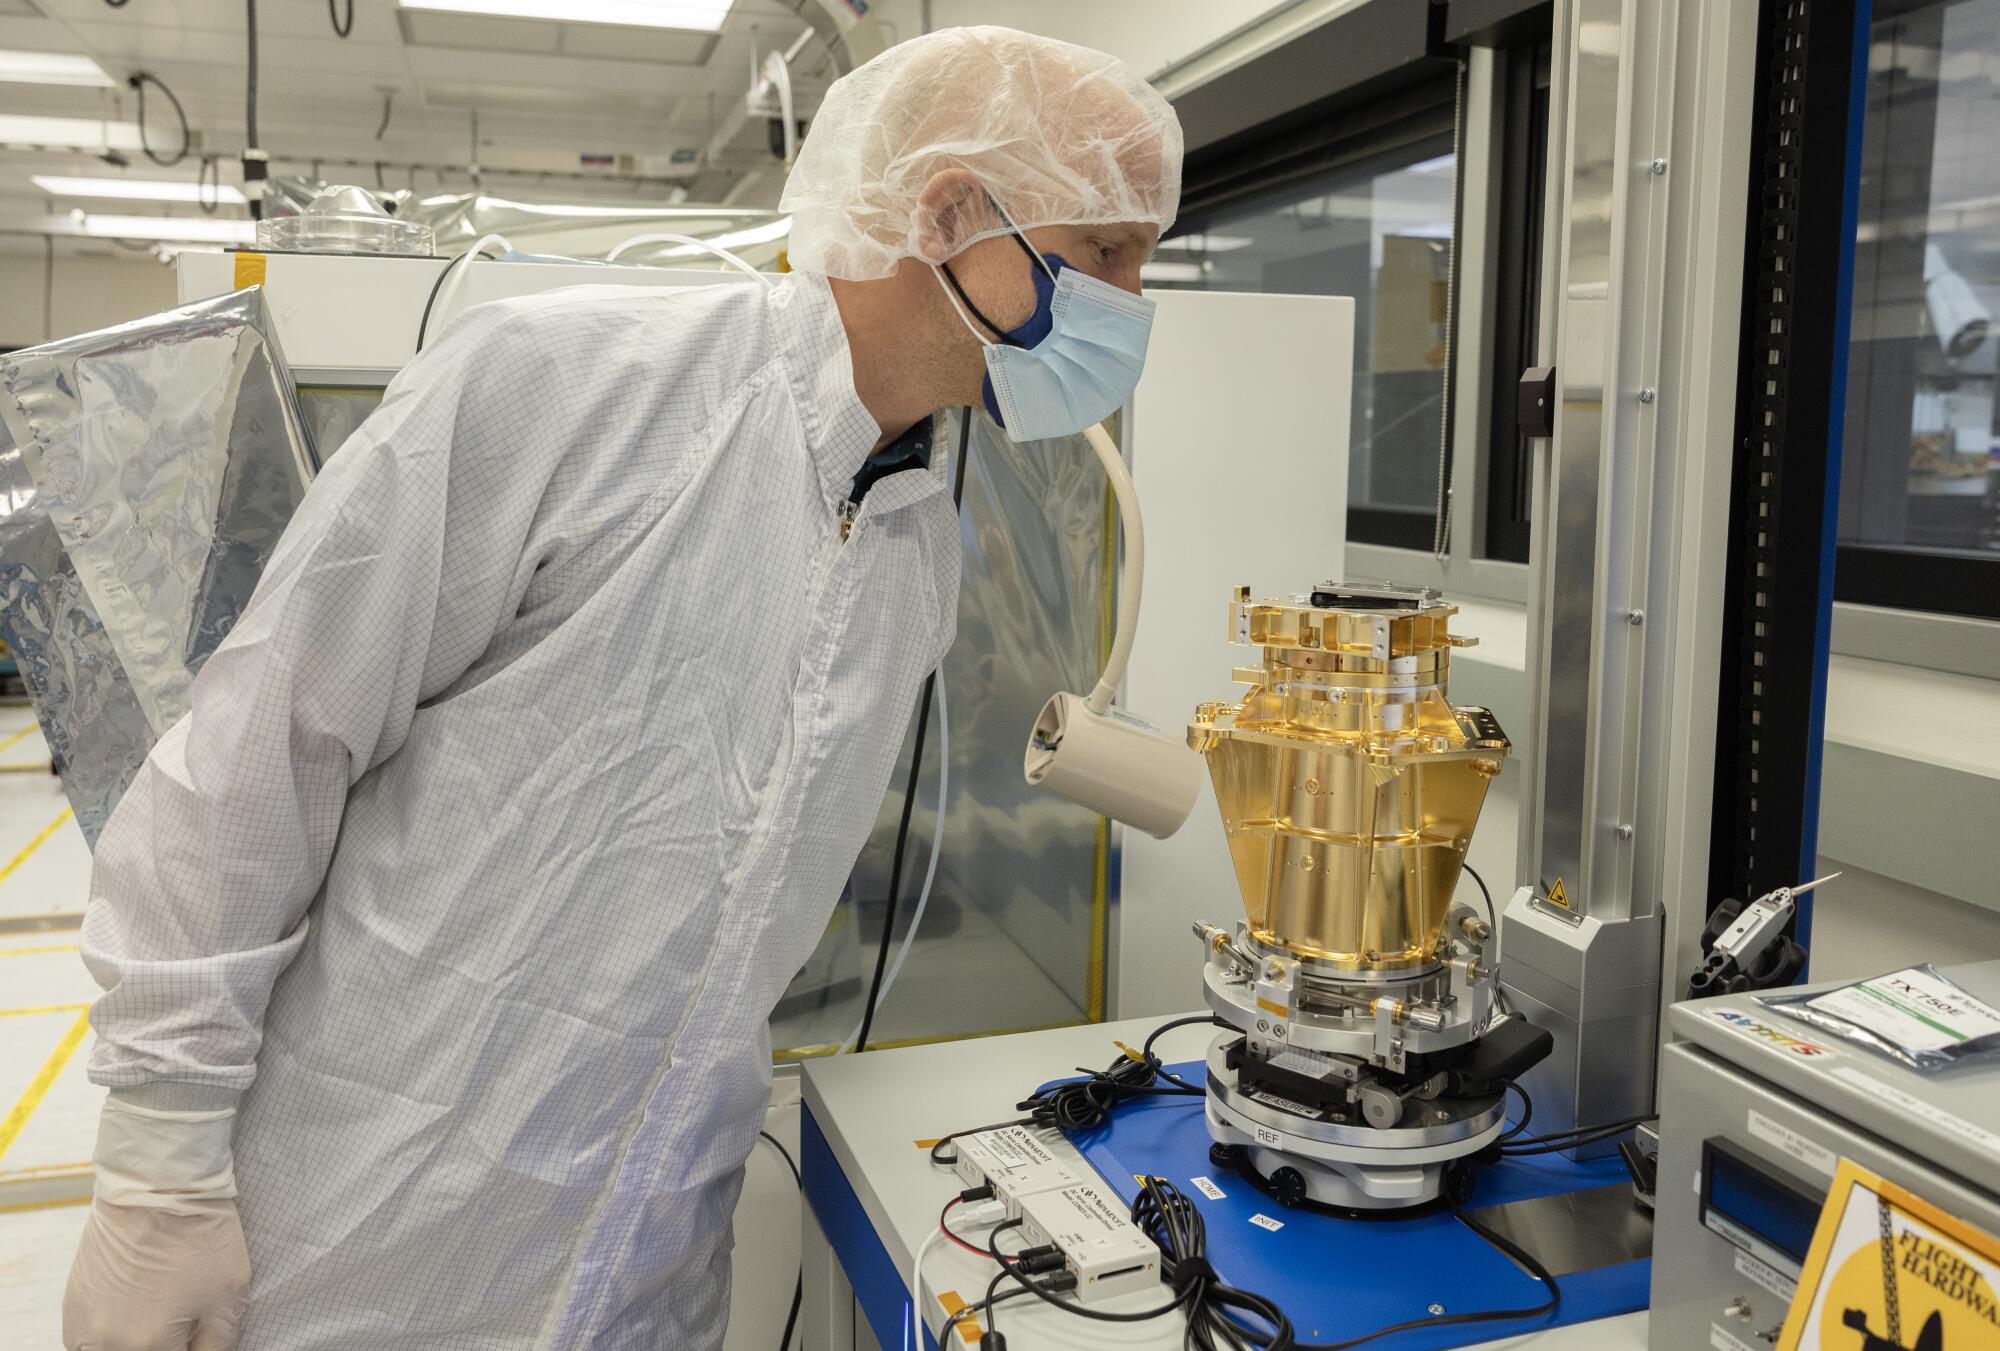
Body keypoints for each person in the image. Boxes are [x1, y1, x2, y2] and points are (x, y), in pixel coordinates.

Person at [61, 25, 1181, 1351]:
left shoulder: (915, 533)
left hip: (645, 1260)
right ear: (944, 212)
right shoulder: (570, 384)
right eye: (1105, 250)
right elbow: (253, 760)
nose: (1133, 300)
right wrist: (158, 1163)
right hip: (361, 1228)